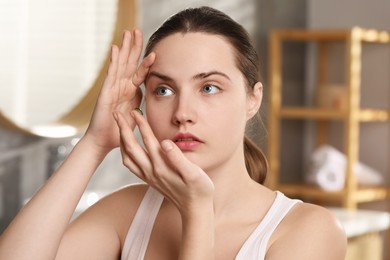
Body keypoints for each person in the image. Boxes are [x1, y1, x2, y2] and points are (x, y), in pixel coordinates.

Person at [0, 6, 347, 260]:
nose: (182, 114)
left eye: (209, 88)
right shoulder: (128, 210)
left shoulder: (308, 231)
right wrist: (94, 143)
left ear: (252, 99)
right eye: (163, 90)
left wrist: (197, 213)